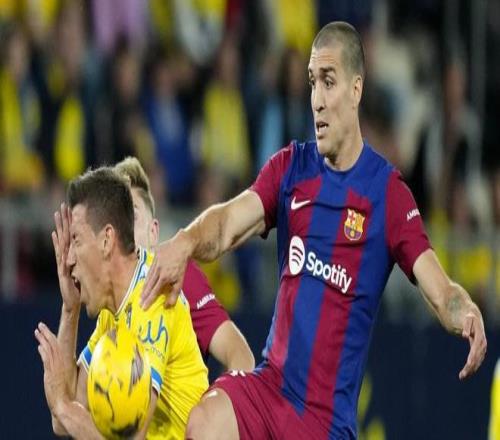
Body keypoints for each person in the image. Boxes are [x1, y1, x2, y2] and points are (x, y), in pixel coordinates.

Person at [139, 21, 487, 440]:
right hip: (269, 390)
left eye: (329, 81)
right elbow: (228, 223)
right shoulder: (290, 169)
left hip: (325, 425)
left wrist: (465, 313)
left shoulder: (388, 194)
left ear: (356, 89)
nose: (317, 100)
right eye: (311, 82)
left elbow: (440, 290)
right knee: (205, 422)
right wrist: (185, 241)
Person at [34, 167, 208, 439]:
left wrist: (63, 408)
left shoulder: (152, 296)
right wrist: (70, 309)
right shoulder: (114, 308)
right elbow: (66, 418)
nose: (68, 259)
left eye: (76, 240)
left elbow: (129, 436)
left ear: (106, 240)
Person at [114, 156, 255, 370]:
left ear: (153, 232)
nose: (125, 227)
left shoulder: (180, 275)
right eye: (118, 218)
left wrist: (217, 394)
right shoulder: (102, 292)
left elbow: (240, 356)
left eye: (132, 215)